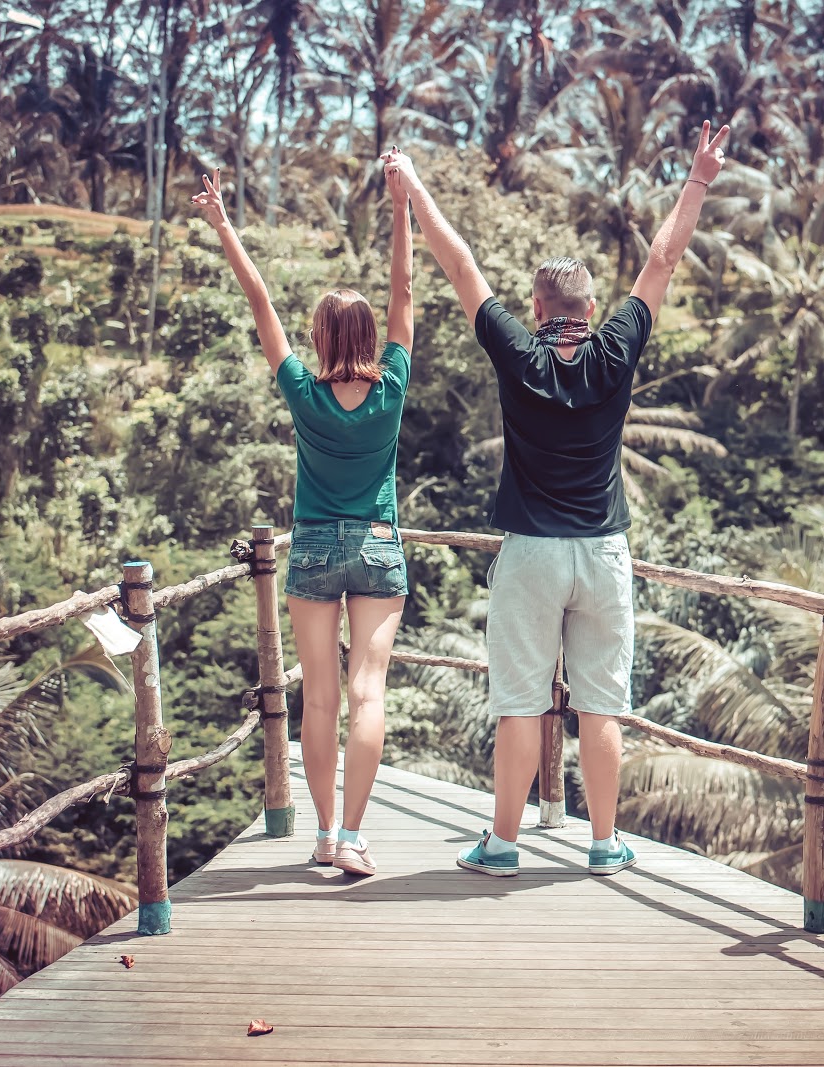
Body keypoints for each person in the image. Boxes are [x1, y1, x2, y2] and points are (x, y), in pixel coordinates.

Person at [381, 120, 730, 877]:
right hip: (603, 553)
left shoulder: (517, 350)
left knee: (520, 703)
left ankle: (502, 845)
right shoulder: (617, 347)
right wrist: (698, 175)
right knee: (601, 705)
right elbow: (665, 255)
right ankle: (604, 844)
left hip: (532, 553)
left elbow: (461, 262)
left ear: (537, 310)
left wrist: (412, 190)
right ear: (592, 304)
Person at [191, 162, 414, 878]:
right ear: (372, 334)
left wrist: (223, 223)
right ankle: (353, 833)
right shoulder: (394, 387)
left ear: (318, 336)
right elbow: (405, 289)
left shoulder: (302, 391)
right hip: (378, 546)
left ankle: (322, 833)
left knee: (318, 697)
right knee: (367, 693)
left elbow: (259, 297)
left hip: (314, 546)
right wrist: (402, 204)